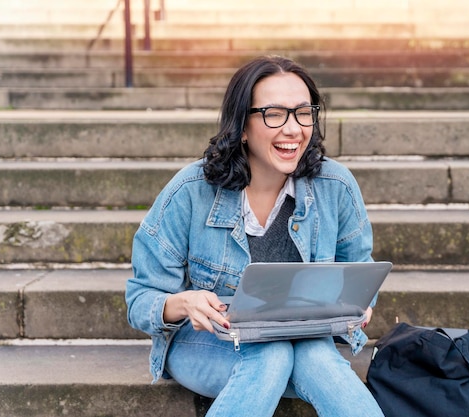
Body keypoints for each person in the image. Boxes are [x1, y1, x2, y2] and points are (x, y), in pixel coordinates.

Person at [125, 55, 384, 417]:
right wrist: (186, 303)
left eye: (303, 112)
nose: (293, 129)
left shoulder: (335, 185)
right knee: (272, 353)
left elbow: (358, 270)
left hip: (304, 339)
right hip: (207, 343)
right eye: (274, 114)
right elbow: (140, 300)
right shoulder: (190, 191)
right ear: (242, 126)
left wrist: (358, 303)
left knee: (309, 352)